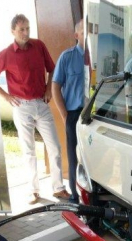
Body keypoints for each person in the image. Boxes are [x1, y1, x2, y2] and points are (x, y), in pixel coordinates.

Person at [0, 14, 70, 205]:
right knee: (28, 151)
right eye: (21, 29)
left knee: (55, 147)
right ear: (13, 31)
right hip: (21, 106)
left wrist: (47, 90)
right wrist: (6, 96)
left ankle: (58, 188)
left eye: (27, 28)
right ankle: (33, 190)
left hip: (41, 104)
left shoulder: (39, 45)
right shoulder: (5, 54)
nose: (26, 32)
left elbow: (52, 69)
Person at [52, 20, 85, 204]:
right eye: (84, 31)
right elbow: (55, 86)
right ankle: (75, 194)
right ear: (76, 35)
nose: (88, 35)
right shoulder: (67, 57)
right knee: (74, 155)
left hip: (95, 116)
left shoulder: (99, 57)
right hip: (74, 114)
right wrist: (64, 115)